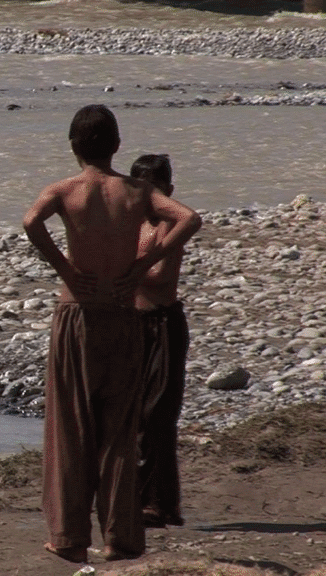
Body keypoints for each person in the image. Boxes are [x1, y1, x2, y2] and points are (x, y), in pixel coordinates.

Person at [21, 105, 201, 562]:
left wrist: (64, 267)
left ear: (74, 146)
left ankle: (68, 537)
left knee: (70, 425)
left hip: (77, 313)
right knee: (119, 429)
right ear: (117, 145)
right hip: (122, 313)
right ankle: (120, 537)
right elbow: (189, 218)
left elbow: (30, 222)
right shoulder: (137, 192)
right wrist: (140, 265)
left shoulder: (67, 189)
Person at [131, 154, 190, 529]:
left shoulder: (171, 225)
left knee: (157, 415)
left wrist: (116, 270)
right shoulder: (131, 224)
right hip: (131, 323)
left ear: (169, 191)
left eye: (155, 191)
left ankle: (160, 503)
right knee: (134, 415)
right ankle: (144, 499)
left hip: (162, 323)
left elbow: (160, 277)